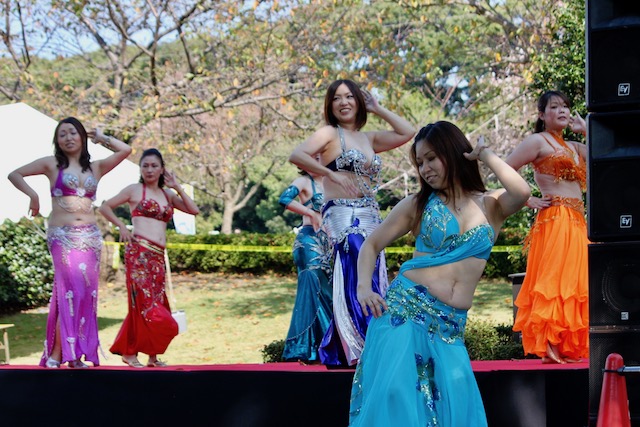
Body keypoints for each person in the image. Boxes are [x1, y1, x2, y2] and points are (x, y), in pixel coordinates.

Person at [348, 121, 530, 427]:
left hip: (450, 326)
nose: (425, 169)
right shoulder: (417, 205)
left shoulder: (491, 204)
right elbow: (371, 245)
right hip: (406, 312)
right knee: (399, 401)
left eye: (431, 158)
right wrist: (363, 288)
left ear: (453, 152)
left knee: (452, 408)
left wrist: (485, 154)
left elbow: (522, 191)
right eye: (420, 163)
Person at [289, 79, 416, 366]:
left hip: (370, 212)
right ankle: (360, 344)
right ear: (330, 105)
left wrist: (378, 108)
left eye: (349, 96)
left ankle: (373, 338)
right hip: (341, 213)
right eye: (337, 98)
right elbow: (297, 154)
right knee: (354, 264)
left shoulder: (369, 138)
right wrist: (329, 173)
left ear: (358, 101)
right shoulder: (329, 133)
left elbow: (408, 132)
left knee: (373, 269)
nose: (343, 102)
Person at [8, 117, 132, 368]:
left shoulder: (96, 167)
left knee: (85, 295)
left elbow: (126, 150)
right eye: (62, 134)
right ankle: (57, 353)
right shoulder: (51, 164)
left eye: (73, 133)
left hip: (90, 238)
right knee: (69, 292)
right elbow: (15, 174)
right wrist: (33, 196)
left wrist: (101, 137)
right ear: (57, 141)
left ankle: (74, 355)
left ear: (82, 137)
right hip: (63, 236)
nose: (68, 138)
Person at [506, 90, 589, 364]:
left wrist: (585, 130)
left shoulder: (575, 146)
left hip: (577, 221)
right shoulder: (537, 141)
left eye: (565, 106)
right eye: (555, 107)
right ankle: (548, 343)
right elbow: (506, 168)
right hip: (555, 219)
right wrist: (527, 199)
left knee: (574, 283)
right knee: (554, 281)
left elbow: (604, 155)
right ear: (542, 114)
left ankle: (565, 344)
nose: (562, 111)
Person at [98, 148, 199, 368]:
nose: (149, 170)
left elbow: (194, 210)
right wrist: (121, 226)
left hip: (158, 257)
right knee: (143, 305)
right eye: (145, 166)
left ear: (162, 169)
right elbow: (105, 207)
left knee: (157, 303)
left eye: (154, 166)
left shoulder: (167, 195)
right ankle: (129, 352)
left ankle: (152, 356)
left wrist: (177, 187)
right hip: (139, 254)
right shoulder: (134, 190)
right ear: (140, 169)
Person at [278, 164, 333, 363]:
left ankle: (327, 345)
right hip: (308, 241)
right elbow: (284, 199)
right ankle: (305, 347)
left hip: (329, 242)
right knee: (314, 286)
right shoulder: (303, 182)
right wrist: (310, 213)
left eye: (319, 157)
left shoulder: (332, 182)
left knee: (328, 290)